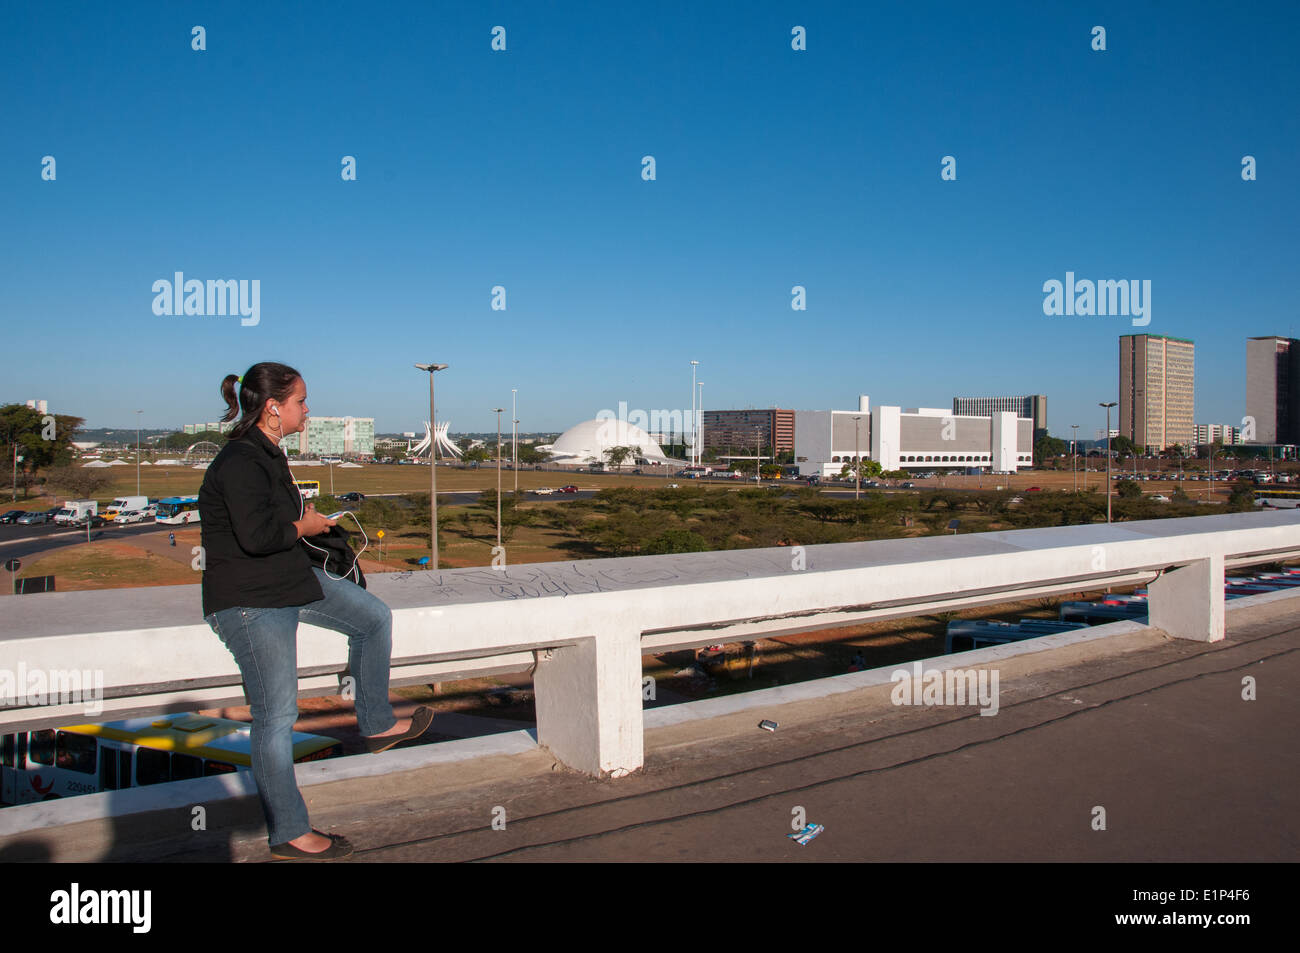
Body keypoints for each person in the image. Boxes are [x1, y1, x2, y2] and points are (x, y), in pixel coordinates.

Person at [198, 362, 432, 860]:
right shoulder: (240, 460)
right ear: (272, 408)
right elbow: (257, 537)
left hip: (288, 582)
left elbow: (272, 524)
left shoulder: (267, 453)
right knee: (276, 717)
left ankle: (374, 723)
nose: (308, 409)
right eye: (302, 401)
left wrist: (313, 525)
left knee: (373, 619)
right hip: (249, 601)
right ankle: (289, 832)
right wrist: (305, 527)